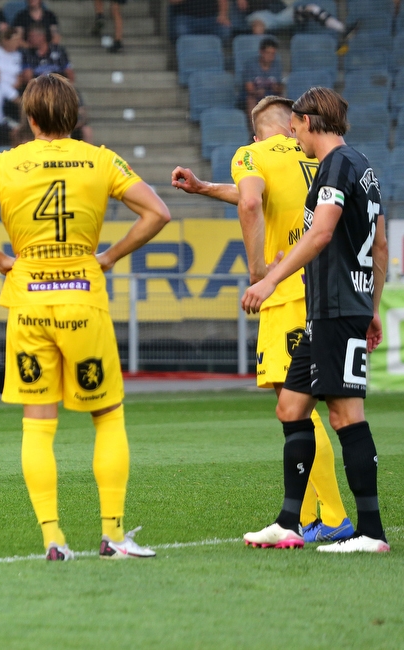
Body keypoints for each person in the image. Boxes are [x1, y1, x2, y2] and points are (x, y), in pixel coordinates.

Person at [0, 73, 171, 560]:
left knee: (37, 423)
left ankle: (53, 537)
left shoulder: (5, 164)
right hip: (83, 298)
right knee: (107, 416)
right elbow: (157, 213)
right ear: (75, 115)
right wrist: (109, 257)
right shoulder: (101, 160)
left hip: (28, 302)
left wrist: (2, 261)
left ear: (29, 119)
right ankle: (112, 533)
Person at [170, 95, 354, 544]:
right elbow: (258, 193)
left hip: (287, 290)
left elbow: (251, 202)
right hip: (326, 286)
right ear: (291, 126)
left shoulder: (251, 155)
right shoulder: (320, 155)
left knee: (297, 408)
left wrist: (258, 272)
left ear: (257, 135)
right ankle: (312, 516)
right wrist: (204, 188)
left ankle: (331, 517)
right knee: (314, 407)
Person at [240, 87, 389, 553]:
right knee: (291, 407)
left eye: (295, 126)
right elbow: (380, 245)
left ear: (309, 122)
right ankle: (288, 522)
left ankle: (370, 532)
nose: (292, 134)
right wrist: (374, 307)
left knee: (346, 416)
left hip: (334, 308)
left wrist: (268, 279)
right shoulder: (361, 168)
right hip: (339, 309)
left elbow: (322, 233)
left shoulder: (336, 166)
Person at [245, 1, 357, 53]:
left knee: (312, 9)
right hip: (259, 14)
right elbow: (242, 6)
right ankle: (258, 56)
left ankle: (343, 29)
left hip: (281, 13)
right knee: (258, 24)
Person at [241, 36, 282, 115]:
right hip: (253, 95)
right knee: (251, 100)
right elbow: (249, 88)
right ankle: (253, 127)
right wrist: (257, 92)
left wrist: (277, 88)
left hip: (269, 94)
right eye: (268, 53)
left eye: (273, 54)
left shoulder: (277, 65)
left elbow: (279, 86)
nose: (270, 56)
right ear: (261, 52)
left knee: (282, 99)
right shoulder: (250, 65)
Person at [168, 0, 232, 44]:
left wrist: (223, 15)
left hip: (211, 19)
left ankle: (211, 56)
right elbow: (173, 1)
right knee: (181, 31)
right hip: (186, 19)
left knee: (224, 31)